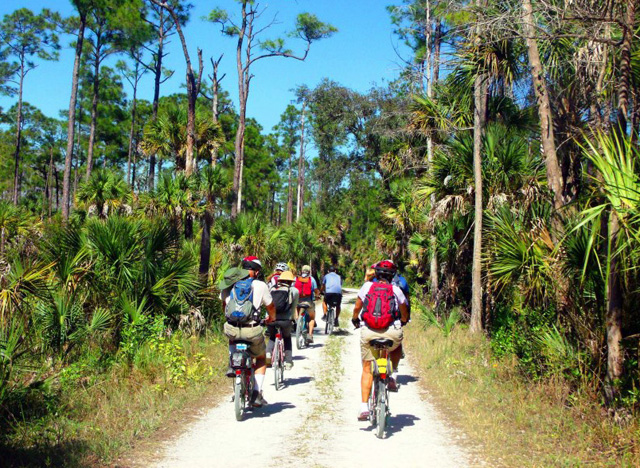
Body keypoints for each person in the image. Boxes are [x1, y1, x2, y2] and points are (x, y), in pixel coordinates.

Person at [351, 259, 409, 421]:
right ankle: (393, 373)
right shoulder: (396, 290)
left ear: (376, 273)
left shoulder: (367, 287)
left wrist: (355, 319)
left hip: (369, 332)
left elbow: (357, 307)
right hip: (391, 333)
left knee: (367, 368)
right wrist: (403, 320)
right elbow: (404, 310)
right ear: (392, 276)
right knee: (397, 344)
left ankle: (364, 407)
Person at [219, 256, 275, 407]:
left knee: (232, 337)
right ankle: (256, 394)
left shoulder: (231, 283)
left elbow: (224, 303)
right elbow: (270, 306)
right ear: (256, 272)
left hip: (232, 328)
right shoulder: (261, 285)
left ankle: (232, 364)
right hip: (252, 331)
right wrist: (271, 318)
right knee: (261, 358)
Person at [266, 270, 298, 369]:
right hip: (285, 320)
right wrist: (293, 320)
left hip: (272, 319)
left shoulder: (272, 288)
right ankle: (288, 362)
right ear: (291, 281)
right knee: (287, 338)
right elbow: (293, 308)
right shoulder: (294, 291)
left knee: (272, 336)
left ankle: (268, 353)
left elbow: (268, 305)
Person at [294, 265, 320, 343]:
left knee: (297, 310)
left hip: (298, 301)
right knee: (312, 318)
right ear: (309, 271)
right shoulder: (311, 279)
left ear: (301, 271)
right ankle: (310, 335)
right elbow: (316, 290)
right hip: (308, 301)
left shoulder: (296, 278)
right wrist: (318, 296)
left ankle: (297, 322)